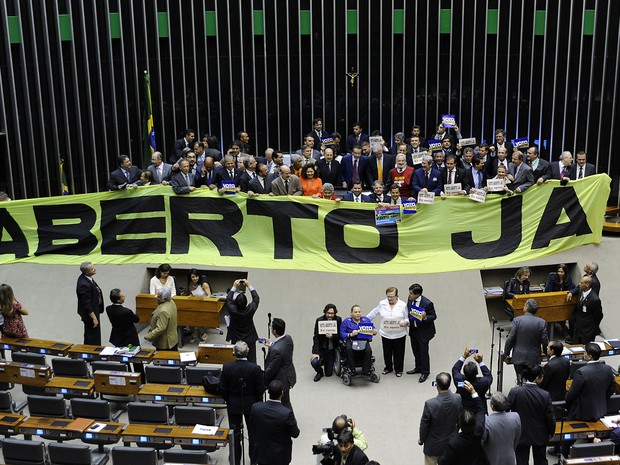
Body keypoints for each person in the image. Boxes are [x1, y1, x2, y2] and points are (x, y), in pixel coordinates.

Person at [220, 340, 265, 465]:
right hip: (252, 405)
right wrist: (257, 402)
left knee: (234, 434)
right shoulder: (255, 368)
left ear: (234, 353)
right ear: (248, 352)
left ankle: (235, 459)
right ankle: (254, 460)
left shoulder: (227, 367)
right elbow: (260, 389)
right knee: (253, 434)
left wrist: (228, 400)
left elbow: (223, 388)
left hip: (233, 405)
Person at [507, 365, 555, 465]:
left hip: (520, 433)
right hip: (540, 434)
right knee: (541, 460)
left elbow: (506, 410)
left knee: (521, 461)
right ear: (537, 378)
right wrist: (552, 432)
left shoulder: (515, 392)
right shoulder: (545, 395)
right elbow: (549, 417)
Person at [249, 380, 300, 465]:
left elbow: (252, 426)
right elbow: (295, 433)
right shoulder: (286, 413)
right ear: (282, 393)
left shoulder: (256, 408)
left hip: (261, 453)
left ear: (268, 392)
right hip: (280, 456)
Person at [418, 372, 462, 465]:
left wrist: (421, 439)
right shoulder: (457, 398)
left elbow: (424, 426)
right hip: (451, 443)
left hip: (434, 446)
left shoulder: (430, 404)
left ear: (437, 386)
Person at [438, 381, 486, 465]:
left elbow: (443, 462)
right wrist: (473, 392)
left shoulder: (453, 443)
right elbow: (481, 410)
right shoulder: (479, 429)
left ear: (459, 424)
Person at [565, 342, 615, 421]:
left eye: (585, 352)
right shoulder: (608, 369)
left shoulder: (581, 372)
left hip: (583, 413)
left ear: (589, 357)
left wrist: (566, 403)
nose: (583, 354)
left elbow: (572, 394)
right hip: (601, 410)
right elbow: (612, 388)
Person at [365, 287, 408, 377]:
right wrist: (363, 321)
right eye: (388, 296)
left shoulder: (403, 305)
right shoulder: (382, 304)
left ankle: (398, 369)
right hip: (386, 333)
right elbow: (373, 313)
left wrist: (406, 322)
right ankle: (388, 367)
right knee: (387, 352)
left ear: (396, 296)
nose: (389, 299)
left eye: (392, 297)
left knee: (399, 352)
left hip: (399, 334)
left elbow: (407, 318)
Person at [503, 298, 548, 383]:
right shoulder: (542, 322)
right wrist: (546, 352)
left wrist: (506, 354)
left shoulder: (517, 320)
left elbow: (510, 339)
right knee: (532, 380)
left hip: (519, 356)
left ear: (526, 307)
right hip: (534, 357)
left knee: (520, 379)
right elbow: (545, 341)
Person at [406, 283, 437, 383]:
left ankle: (425, 372)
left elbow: (433, 316)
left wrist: (425, 317)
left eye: (411, 293)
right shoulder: (410, 300)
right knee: (416, 350)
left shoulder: (427, 303)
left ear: (417, 294)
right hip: (413, 330)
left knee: (423, 352)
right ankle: (418, 368)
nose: (409, 295)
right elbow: (408, 311)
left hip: (423, 332)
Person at [264, 318, 297, 411]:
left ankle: (291, 422)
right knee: (286, 400)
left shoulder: (275, 350)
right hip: (289, 374)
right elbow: (282, 350)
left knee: (284, 402)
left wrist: (264, 380)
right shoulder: (288, 338)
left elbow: (272, 369)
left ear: (274, 331)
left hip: (280, 379)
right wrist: (271, 344)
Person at [225, 279, 260, 363]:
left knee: (236, 359)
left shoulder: (232, 309)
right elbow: (256, 298)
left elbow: (228, 299)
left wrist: (234, 287)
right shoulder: (250, 309)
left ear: (235, 303)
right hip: (250, 339)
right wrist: (249, 285)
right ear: (246, 303)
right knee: (251, 361)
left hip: (236, 338)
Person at [482, 392, 521, 465]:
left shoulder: (486, 421)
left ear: (492, 406)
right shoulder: (515, 417)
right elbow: (517, 438)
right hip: (509, 459)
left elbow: (482, 443)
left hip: (491, 460)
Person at [340, 305, 377, 378]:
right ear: (351, 313)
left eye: (359, 312)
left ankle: (366, 371)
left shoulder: (366, 320)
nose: (358, 314)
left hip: (363, 339)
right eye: (355, 312)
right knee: (349, 349)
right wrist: (350, 334)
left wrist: (374, 331)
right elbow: (341, 333)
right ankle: (352, 370)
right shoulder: (346, 321)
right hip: (351, 339)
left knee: (368, 351)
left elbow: (373, 330)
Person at [451, 348, 493, 413]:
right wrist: (480, 362)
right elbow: (488, 376)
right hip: (479, 410)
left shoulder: (460, 382)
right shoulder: (483, 383)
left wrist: (464, 356)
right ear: (477, 372)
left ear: (464, 372)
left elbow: (455, 369)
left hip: (463, 411)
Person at [311, 304, 342, 382]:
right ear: (325, 312)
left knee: (328, 374)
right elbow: (316, 337)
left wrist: (332, 336)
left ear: (335, 313)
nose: (330, 315)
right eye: (328, 313)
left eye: (332, 313)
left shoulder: (338, 320)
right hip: (322, 348)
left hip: (331, 350)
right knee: (314, 362)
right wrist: (315, 352)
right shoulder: (319, 320)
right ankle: (319, 372)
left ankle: (326, 361)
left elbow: (340, 335)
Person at [76, 261, 104, 345]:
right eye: (92, 269)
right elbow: (86, 304)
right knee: (92, 336)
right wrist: (94, 318)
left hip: (95, 310)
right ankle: (91, 354)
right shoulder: (83, 284)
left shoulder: (87, 278)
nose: (94, 268)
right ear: (87, 272)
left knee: (93, 335)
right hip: (90, 315)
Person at [569, 275, 603, 344]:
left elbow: (599, 316)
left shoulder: (594, 299)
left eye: (581, 283)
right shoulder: (581, 291)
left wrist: (592, 328)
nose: (579, 284)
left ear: (587, 285)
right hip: (578, 328)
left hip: (587, 331)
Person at [181, 269, 212, 342]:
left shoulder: (204, 284)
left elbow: (209, 295)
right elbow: (192, 294)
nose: (195, 278)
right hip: (194, 306)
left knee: (197, 319)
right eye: (193, 277)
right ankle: (194, 333)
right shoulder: (190, 285)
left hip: (204, 306)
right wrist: (188, 296)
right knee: (188, 317)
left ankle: (203, 335)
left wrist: (202, 303)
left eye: (197, 276)